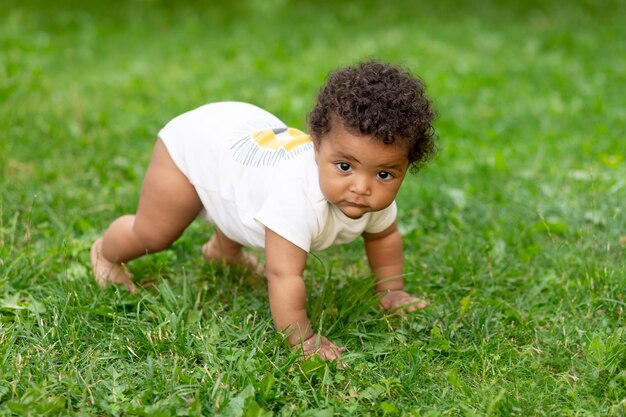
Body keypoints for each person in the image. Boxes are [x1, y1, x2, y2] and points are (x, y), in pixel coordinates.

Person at [90, 60, 437, 361]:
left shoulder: (368, 198)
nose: (362, 187)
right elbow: (284, 275)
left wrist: (391, 290)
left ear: (407, 167)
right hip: (198, 146)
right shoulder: (297, 200)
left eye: (384, 174)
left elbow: (384, 237)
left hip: (243, 154)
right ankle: (106, 254)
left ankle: (223, 252)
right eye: (345, 166)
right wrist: (302, 338)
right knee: (156, 232)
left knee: (248, 196)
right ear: (316, 146)